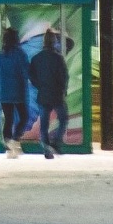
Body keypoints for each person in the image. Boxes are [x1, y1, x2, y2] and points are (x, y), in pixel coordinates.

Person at [28, 29, 69, 159]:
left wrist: (39, 85)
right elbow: (64, 77)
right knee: (63, 119)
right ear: (54, 42)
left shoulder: (36, 58)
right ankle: (56, 143)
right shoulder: (58, 58)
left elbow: (31, 76)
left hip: (43, 94)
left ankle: (46, 148)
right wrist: (63, 90)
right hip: (57, 95)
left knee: (44, 124)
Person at [0, 26, 30, 158]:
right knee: (24, 117)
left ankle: (8, 146)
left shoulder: (0, 55)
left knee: (8, 119)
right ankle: (14, 140)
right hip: (18, 90)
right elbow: (25, 71)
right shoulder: (20, 54)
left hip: (4, 92)